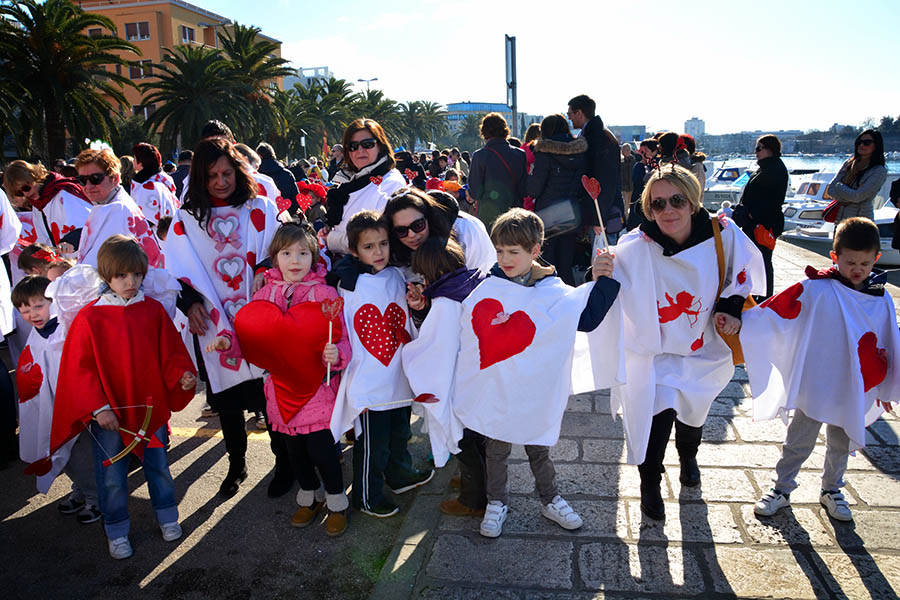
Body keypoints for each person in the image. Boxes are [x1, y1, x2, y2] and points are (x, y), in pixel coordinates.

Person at [433, 208, 620, 537]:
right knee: (496, 450)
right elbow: (466, 332)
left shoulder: (552, 291)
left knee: (538, 447)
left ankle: (550, 499)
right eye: (500, 251)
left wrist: (601, 281)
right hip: (497, 390)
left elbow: (585, 318)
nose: (505, 259)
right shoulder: (489, 288)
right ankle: (496, 502)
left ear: (535, 250)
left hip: (532, 392)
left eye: (513, 252)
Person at [608, 164, 764, 521]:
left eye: (676, 200)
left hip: (704, 348)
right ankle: (650, 480)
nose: (668, 211)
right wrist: (599, 272)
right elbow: (612, 280)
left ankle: (689, 454)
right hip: (658, 350)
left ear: (693, 202)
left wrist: (730, 308)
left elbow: (741, 275)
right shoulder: (637, 244)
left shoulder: (723, 235)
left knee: (694, 411)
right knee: (657, 411)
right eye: (657, 204)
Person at [50, 235, 197, 559]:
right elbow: (80, 368)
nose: (130, 282)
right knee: (112, 476)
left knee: (158, 466)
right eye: (121, 276)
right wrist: (98, 408)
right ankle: (116, 530)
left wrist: (181, 376)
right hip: (110, 417)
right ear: (106, 276)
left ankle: (167, 516)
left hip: (150, 412)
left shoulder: (153, 311)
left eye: (136, 275)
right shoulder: (90, 318)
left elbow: (171, 353)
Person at [744, 217, 900, 522]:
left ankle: (832, 489)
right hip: (817, 381)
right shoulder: (818, 288)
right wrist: (742, 320)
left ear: (876, 259)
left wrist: (885, 386)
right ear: (834, 257)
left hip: (853, 385)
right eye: (850, 261)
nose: (858, 269)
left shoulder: (880, 298)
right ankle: (781, 488)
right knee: (799, 439)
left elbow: (888, 342)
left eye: (865, 263)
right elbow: (778, 310)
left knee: (840, 442)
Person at [207, 222, 352, 536]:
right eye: (287, 253)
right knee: (295, 451)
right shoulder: (265, 293)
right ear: (275, 258)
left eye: (303, 253)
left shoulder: (325, 294)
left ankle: (337, 500)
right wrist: (227, 342)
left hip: (317, 390)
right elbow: (252, 336)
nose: (295, 261)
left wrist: (336, 354)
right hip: (279, 390)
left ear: (314, 257)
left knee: (323, 450)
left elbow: (343, 338)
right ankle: (310, 496)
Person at [163, 136, 285, 498]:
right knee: (229, 402)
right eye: (212, 174)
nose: (220, 181)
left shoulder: (260, 208)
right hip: (215, 325)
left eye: (227, 172)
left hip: (260, 319)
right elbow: (173, 270)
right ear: (200, 177)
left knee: (270, 396)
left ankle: (284, 462)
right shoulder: (186, 220)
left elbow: (283, 244)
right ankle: (237, 463)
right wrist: (189, 304)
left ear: (239, 171)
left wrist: (266, 266)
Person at [327, 211, 434, 518]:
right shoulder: (347, 286)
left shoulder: (397, 275)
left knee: (400, 434)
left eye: (383, 244)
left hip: (398, 375)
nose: (378, 252)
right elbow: (341, 328)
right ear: (353, 251)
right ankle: (366, 495)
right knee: (374, 446)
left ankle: (400, 475)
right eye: (369, 246)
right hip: (369, 380)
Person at [401, 237, 485, 516]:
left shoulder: (446, 301)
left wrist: (410, 356)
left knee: (463, 441)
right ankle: (478, 483)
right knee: (476, 439)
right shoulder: (469, 282)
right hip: (476, 378)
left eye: (422, 274)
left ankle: (473, 500)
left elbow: (436, 347)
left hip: (456, 382)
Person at [13, 274, 100, 525]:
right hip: (50, 409)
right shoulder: (36, 334)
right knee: (63, 456)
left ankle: (96, 499)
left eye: (38, 306)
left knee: (81, 455)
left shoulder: (64, 330)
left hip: (74, 410)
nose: (33, 314)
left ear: (53, 301)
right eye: (25, 309)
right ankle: (82, 490)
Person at [324, 119, 406, 255]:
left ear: (380, 145)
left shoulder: (391, 183)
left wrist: (331, 239)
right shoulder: (349, 181)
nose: (360, 150)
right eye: (353, 146)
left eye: (367, 144)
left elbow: (382, 239)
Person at [72, 149, 163, 269]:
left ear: (114, 178)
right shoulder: (108, 204)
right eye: (82, 180)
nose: (88, 186)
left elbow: (97, 266)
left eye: (96, 178)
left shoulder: (118, 210)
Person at [526, 113, 588, 286]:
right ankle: (568, 300)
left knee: (546, 264)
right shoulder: (580, 152)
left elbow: (534, 189)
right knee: (566, 263)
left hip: (547, 215)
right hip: (571, 212)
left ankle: (549, 302)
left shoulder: (544, 153)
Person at [733, 134, 789, 298]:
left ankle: (764, 296)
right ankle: (758, 293)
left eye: (759, 148)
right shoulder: (765, 167)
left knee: (763, 260)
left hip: (764, 223)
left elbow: (772, 200)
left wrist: (751, 214)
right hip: (755, 222)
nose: (756, 152)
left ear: (770, 149)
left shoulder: (775, 169)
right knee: (755, 259)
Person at [567, 95, 623, 238]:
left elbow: (605, 180)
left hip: (602, 216)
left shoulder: (600, 138)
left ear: (579, 113)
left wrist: (599, 218)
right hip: (595, 213)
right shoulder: (594, 134)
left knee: (603, 257)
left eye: (570, 114)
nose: (569, 118)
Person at [2, 160, 91, 249]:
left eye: (26, 188)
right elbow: (44, 238)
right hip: (66, 260)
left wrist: (70, 241)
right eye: (19, 193)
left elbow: (89, 224)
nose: (25, 194)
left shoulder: (64, 193)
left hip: (87, 257)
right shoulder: (38, 205)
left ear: (34, 177)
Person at [467, 113, 527, 228]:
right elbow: (523, 189)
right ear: (505, 130)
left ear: (484, 131)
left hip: (489, 217)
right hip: (514, 215)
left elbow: (475, 192)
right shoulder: (520, 154)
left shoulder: (480, 156)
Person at [826, 129, 888, 224]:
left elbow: (857, 196)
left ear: (876, 146)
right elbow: (830, 190)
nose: (861, 145)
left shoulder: (879, 171)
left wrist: (839, 186)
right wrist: (850, 195)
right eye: (859, 142)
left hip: (861, 224)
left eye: (867, 142)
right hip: (840, 222)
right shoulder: (848, 164)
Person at [130, 144, 179, 230]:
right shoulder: (162, 179)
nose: (133, 161)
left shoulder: (148, 187)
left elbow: (147, 220)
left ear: (140, 161)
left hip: (155, 237)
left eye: (134, 158)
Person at [256, 142, 300, 214]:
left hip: (262, 218)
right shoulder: (287, 174)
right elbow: (296, 199)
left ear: (259, 156)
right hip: (286, 216)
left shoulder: (256, 176)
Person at [627, 139, 658, 230]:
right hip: (638, 202)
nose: (642, 154)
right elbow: (637, 181)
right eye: (641, 151)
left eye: (646, 151)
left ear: (654, 152)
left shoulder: (658, 166)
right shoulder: (639, 166)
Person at [620, 143, 636, 212]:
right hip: (622, 185)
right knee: (624, 204)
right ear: (622, 151)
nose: (627, 151)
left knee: (629, 204)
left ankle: (628, 218)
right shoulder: (619, 160)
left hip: (631, 185)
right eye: (625, 150)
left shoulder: (633, 159)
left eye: (628, 150)